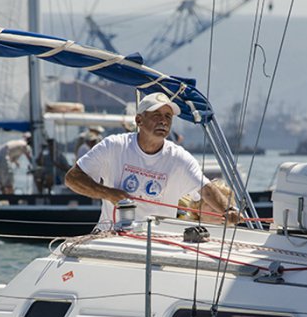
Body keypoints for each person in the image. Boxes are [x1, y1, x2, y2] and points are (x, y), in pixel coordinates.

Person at [65, 92, 241, 229]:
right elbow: (72, 178)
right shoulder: (114, 146)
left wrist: (229, 210)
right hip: (112, 236)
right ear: (139, 120)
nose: (163, 121)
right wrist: (108, 193)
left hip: (158, 242)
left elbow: (207, 189)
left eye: (167, 116)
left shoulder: (179, 157)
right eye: (156, 115)